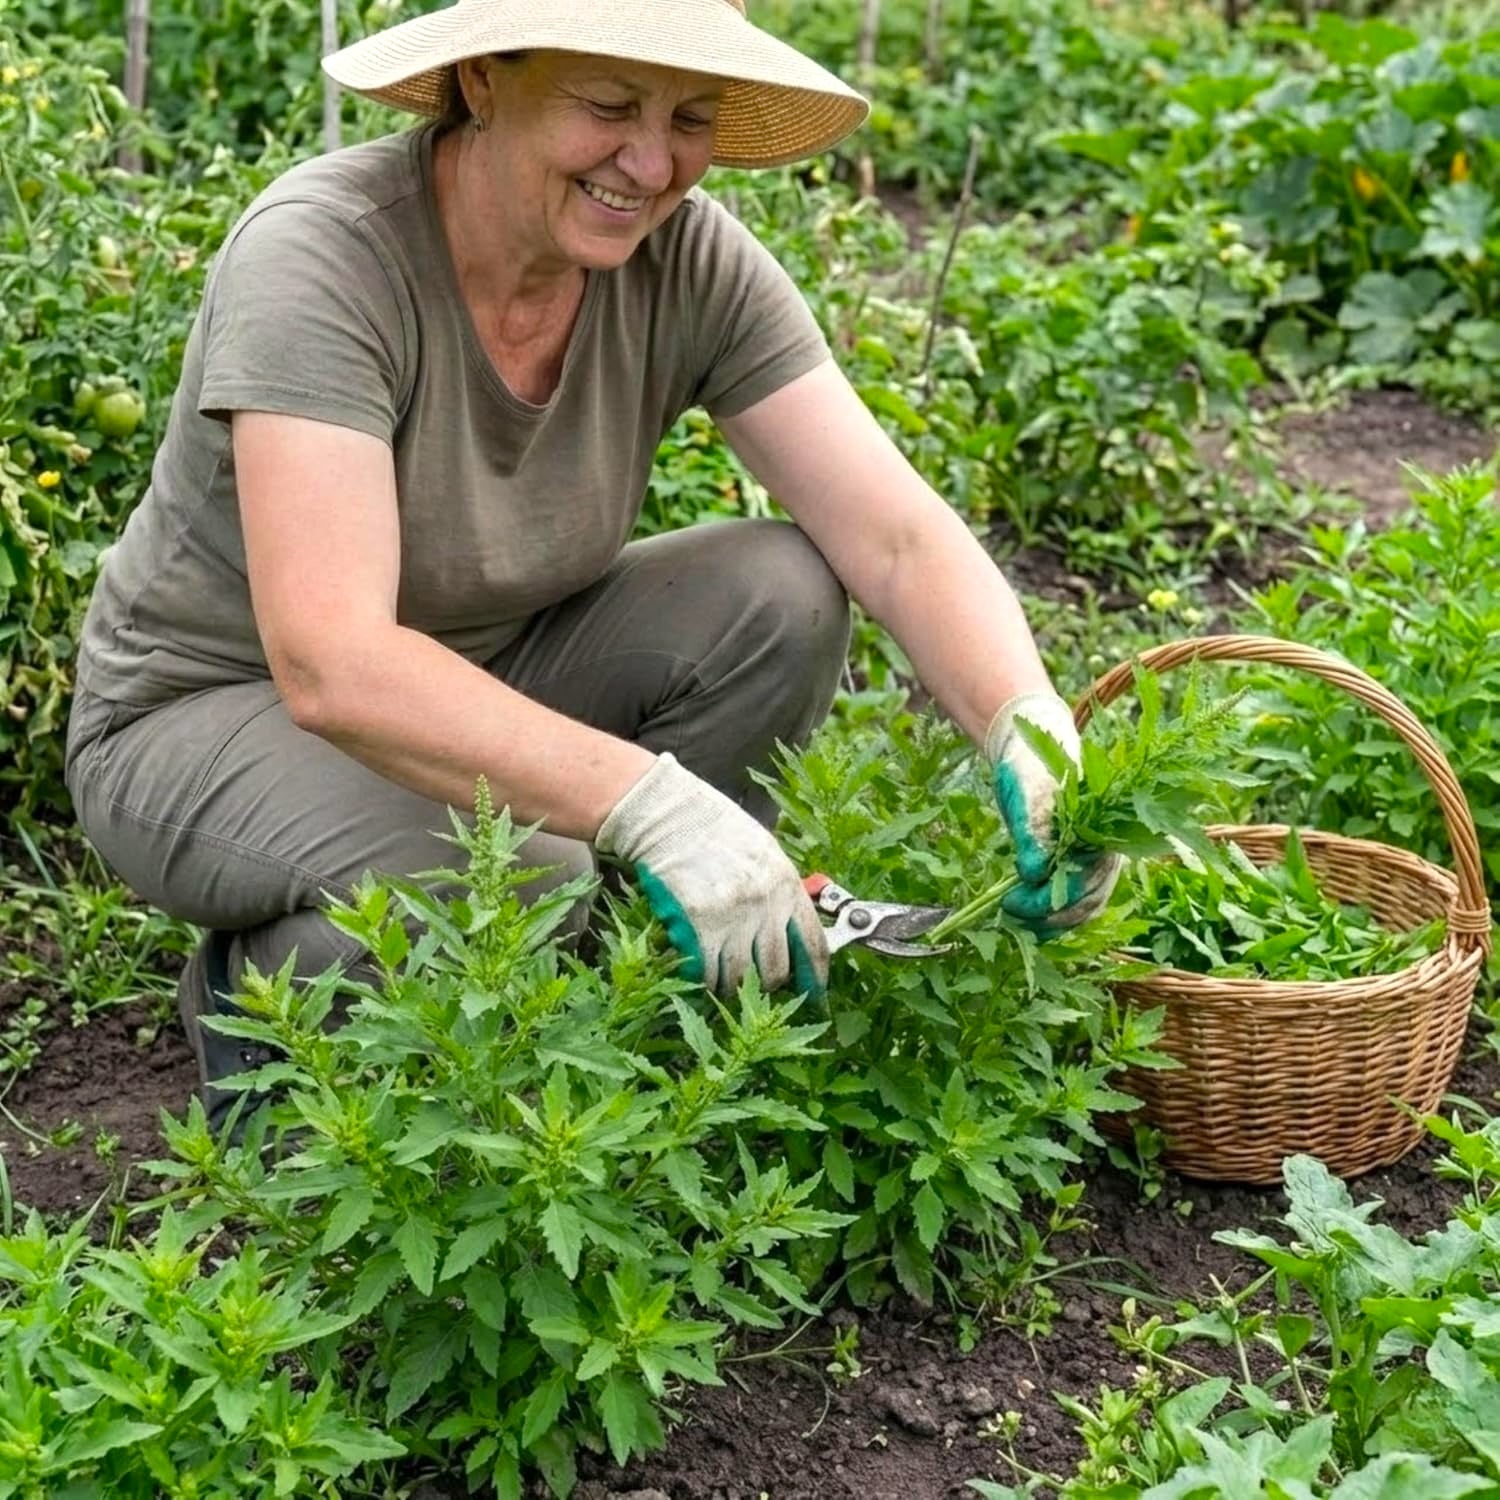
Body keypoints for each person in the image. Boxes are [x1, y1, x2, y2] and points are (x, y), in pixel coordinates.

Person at [63, 0, 1121, 1135]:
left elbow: (897, 537)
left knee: (781, 593)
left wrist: (1030, 724)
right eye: (608, 106)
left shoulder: (686, 260)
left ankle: (628, 985)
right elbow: (333, 662)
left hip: (487, 669)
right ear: (481, 81)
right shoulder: (324, 257)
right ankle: (256, 1005)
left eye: (690, 116)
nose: (653, 162)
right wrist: (650, 804)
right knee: (520, 870)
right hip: (211, 715)